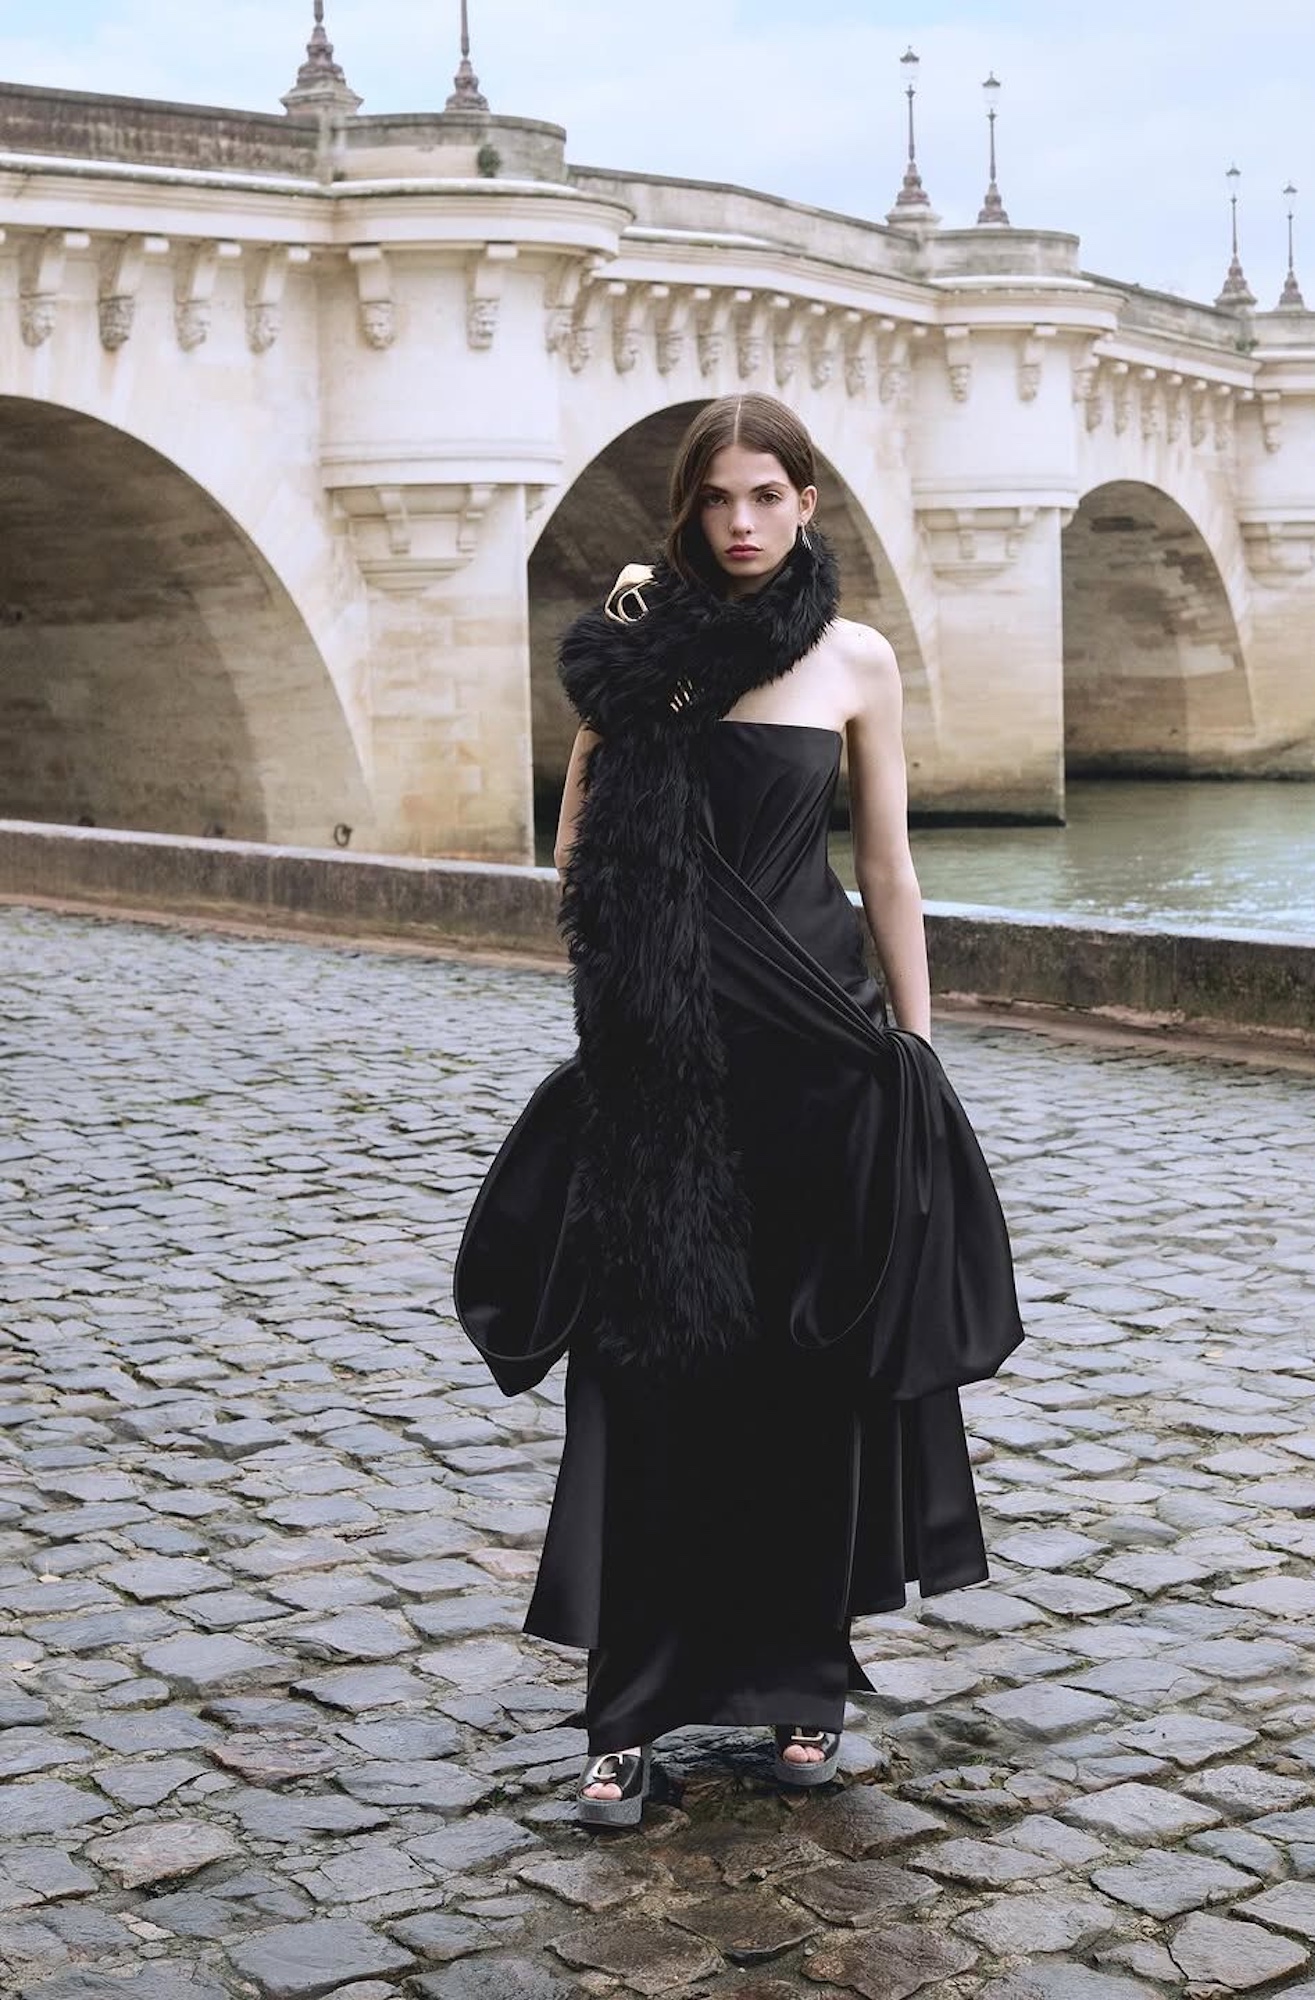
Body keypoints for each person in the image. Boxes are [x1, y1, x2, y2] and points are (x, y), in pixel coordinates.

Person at [453, 392, 1024, 1829]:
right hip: (665, 1058)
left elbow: (886, 870)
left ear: (807, 502)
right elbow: (577, 851)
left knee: (802, 1382)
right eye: (718, 499)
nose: (744, 522)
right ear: (689, 511)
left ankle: (797, 1687)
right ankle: (629, 1713)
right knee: (644, 1376)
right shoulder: (641, 649)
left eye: (768, 495)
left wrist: (916, 1048)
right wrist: (637, 702)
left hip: (821, 1059)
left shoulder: (858, 661)